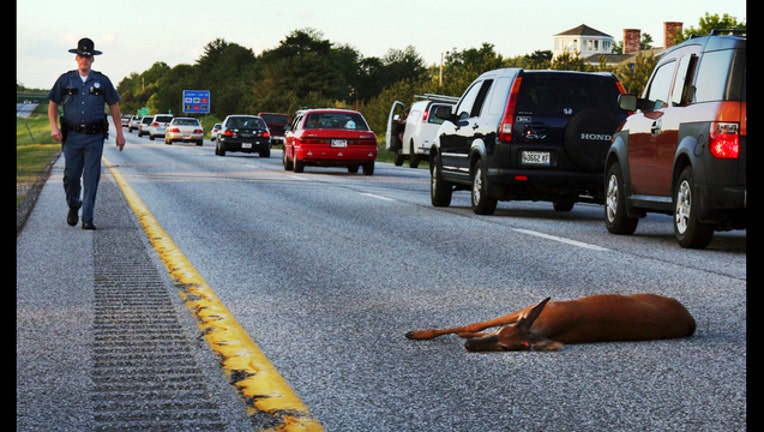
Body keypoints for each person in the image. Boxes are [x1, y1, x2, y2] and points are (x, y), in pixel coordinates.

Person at [48, 37, 126, 230]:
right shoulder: (65, 80)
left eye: (88, 56)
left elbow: (114, 106)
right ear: (76, 58)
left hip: (94, 137)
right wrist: (53, 127)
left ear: (93, 59)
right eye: (81, 55)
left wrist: (120, 133)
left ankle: (88, 218)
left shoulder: (102, 81)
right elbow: (53, 104)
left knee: (91, 177)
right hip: (71, 137)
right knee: (71, 176)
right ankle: (74, 205)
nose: (84, 59)